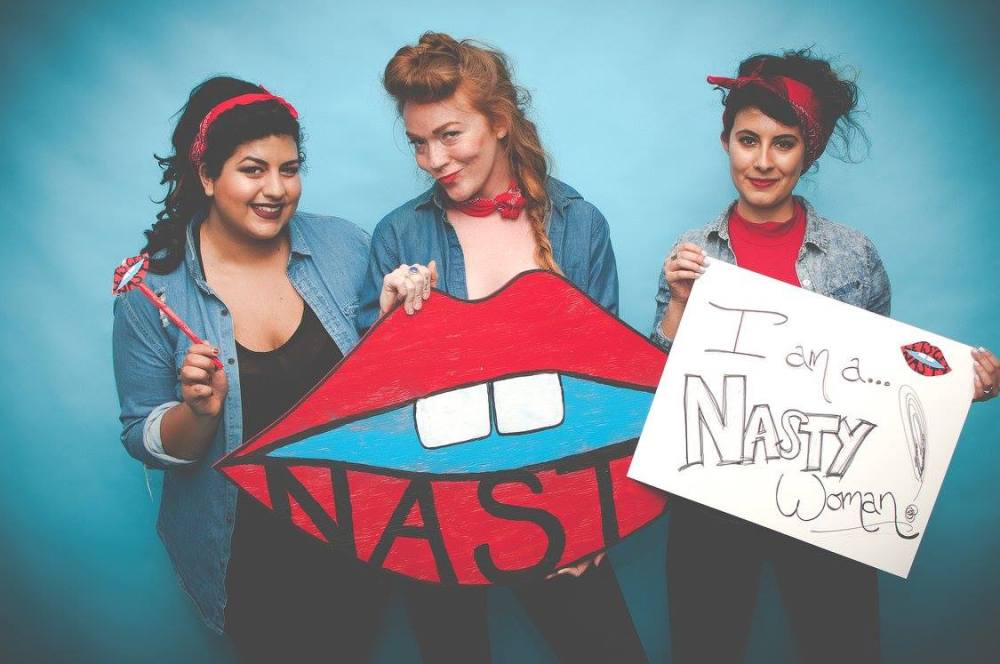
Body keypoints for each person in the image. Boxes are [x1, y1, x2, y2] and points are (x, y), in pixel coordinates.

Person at [650, 49, 1000, 664]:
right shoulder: (694, 253)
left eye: (783, 144)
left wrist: (955, 386)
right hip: (713, 498)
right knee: (705, 645)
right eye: (748, 140)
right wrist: (679, 303)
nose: (762, 161)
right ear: (726, 142)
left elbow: (882, 384)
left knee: (842, 644)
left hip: (827, 499)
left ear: (807, 153)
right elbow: (658, 389)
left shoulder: (852, 254)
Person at [357, 32, 647, 663]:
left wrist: (591, 516)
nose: (433, 159)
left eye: (449, 135)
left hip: (550, 501)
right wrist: (386, 327)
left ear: (499, 121)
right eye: (418, 142)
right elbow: (376, 413)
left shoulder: (578, 225)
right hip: (437, 507)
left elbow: (606, 386)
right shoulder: (399, 234)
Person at [112, 76, 388, 662]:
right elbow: (141, 436)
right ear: (207, 176)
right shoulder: (153, 293)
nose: (276, 189)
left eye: (290, 169)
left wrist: (402, 320)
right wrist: (197, 412)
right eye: (253, 170)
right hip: (245, 552)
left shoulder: (344, 246)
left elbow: (390, 381)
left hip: (358, 533)